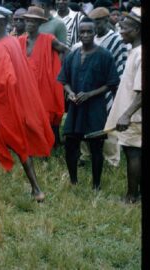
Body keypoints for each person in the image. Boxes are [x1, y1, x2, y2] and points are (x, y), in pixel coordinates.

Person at [0, 5, 53, 200]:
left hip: (3, 106)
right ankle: (36, 190)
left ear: (2, 23)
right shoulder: (10, 42)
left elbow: (6, 80)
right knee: (19, 145)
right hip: (14, 105)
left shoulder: (1, 47)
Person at [58, 17, 119, 190]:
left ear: (95, 32)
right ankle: (73, 181)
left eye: (89, 31)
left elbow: (112, 83)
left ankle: (96, 185)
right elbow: (64, 79)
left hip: (95, 109)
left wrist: (90, 94)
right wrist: (70, 93)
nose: (85, 35)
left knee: (96, 147)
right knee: (70, 145)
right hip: (76, 109)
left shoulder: (104, 55)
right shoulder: (73, 55)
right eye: (82, 31)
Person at [73, 7, 131, 167]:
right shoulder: (89, 39)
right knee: (85, 121)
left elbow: (121, 67)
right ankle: (86, 154)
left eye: (98, 23)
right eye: (93, 23)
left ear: (107, 21)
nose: (95, 26)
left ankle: (112, 159)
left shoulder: (116, 40)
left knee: (110, 125)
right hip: (87, 89)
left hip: (108, 89)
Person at [104, 7, 141, 203]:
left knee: (133, 153)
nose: (120, 31)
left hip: (134, 116)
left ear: (136, 30)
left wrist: (126, 115)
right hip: (132, 113)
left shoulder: (141, 54)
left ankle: (131, 197)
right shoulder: (133, 51)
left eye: (124, 28)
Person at [19, 6, 69, 148]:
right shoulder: (20, 40)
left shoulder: (49, 39)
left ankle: (48, 144)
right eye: (28, 21)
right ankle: (33, 144)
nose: (29, 24)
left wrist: (58, 68)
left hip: (44, 84)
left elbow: (66, 50)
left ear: (40, 24)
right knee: (28, 115)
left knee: (45, 114)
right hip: (27, 85)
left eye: (33, 22)